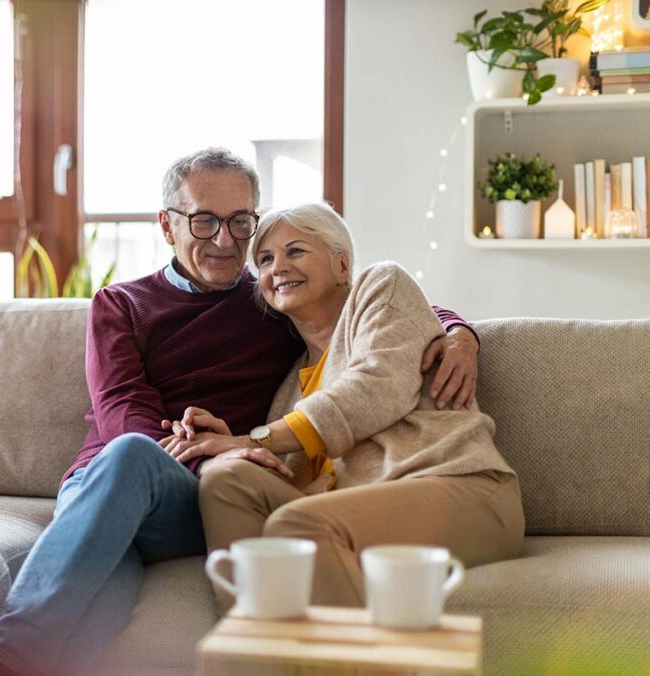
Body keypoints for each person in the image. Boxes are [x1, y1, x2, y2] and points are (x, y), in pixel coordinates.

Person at [0, 150, 480, 676]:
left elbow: (370, 307)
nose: (224, 239)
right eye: (204, 220)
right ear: (168, 226)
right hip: (114, 479)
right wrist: (208, 455)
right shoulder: (120, 305)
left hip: (206, 498)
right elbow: (122, 408)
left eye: (240, 222)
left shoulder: (270, 295)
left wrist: (458, 333)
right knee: (109, 561)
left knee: (133, 494)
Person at [164, 203, 524, 609]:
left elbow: (374, 388)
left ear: (341, 265)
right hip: (359, 512)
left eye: (296, 251)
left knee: (299, 525)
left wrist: (258, 439)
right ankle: (258, 645)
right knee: (225, 481)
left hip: (462, 489)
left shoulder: (381, 287)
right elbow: (300, 477)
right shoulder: (289, 390)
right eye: (265, 259)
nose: (277, 267)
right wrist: (237, 449)